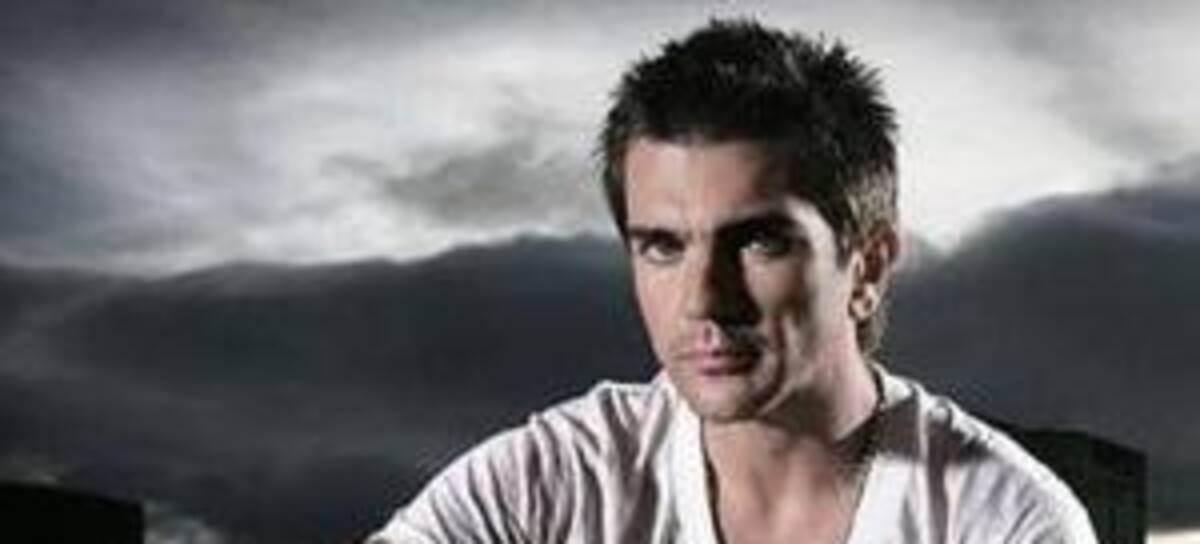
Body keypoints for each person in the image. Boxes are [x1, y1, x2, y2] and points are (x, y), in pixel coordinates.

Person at [369, 18, 1097, 543]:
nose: (704, 301)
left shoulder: (1003, 521)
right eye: (662, 247)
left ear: (868, 265)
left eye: (758, 242)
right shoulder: (555, 481)